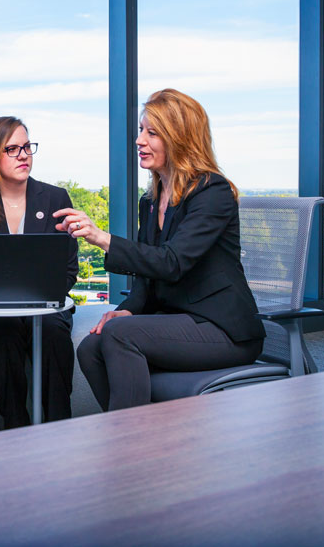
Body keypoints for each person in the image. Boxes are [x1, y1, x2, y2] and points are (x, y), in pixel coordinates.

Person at [54, 89, 265, 412]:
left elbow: (172, 262)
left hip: (224, 330)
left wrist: (102, 238)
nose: (139, 140)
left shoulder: (213, 192)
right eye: (141, 130)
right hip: (179, 319)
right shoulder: (152, 200)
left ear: (180, 138)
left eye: (152, 133)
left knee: (122, 336)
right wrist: (130, 309)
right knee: (90, 347)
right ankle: (148, 434)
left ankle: (134, 448)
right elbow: (148, 275)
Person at [0, 116, 78, 428]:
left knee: (49, 328)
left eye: (27, 147)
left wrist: (43, 297)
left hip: (44, 306)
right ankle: (16, 427)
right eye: (12, 149)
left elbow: (68, 267)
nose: (24, 155)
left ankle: (60, 427)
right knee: (2, 330)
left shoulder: (55, 198)